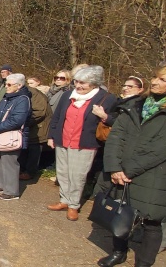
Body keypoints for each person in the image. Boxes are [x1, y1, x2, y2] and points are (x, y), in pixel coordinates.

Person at [97, 62, 166, 267]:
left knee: (151, 223)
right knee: (121, 212)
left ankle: (144, 263)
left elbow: (162, 148)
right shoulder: (134, 105)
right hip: (120, 171)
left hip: (154, 175)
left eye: (163, 79)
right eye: (155, 77)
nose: (155, 82)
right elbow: (116, 136)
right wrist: (114, 167)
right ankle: (118, 251)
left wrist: (128, 170)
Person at [46, 65, 116, 221]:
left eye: (83, 83)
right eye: (77, 82)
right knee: (63, 172)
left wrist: (104, 115)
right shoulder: (68, 95)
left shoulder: (107, 98)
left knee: (77, 175)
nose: (78, 86)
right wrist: (52, 136)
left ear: (94, 83)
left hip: (85, 143)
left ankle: (73, 205)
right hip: (63, 140)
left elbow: (115, 120)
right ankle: (64, 200)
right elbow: (57, 117)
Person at [91, 76, 145, 197]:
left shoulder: (137, 105)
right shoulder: (121, 101)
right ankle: (99, 198)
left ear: (140, 89)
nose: (126, 88)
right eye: (124, 85)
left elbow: (125, 125)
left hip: (122, 145)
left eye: (130, 86)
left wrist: (105, 116)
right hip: (110, 142)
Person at [0, 74, 31, 200]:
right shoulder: (7, 98)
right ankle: (2, 185)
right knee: (0, 160)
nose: (5, 86)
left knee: (10, 163)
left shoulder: (23, 99)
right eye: (5, 84)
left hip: (11, 136)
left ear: (19, 86)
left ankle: (12, 191)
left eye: (9, 85)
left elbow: (16, 121)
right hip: (0, 135)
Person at [18, 85, 53, 180]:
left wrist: (23, 121)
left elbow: (40, 111)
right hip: (28, 126)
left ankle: (30, 172)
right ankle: (21, 170)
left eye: (9, 84)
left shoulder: (34, 93)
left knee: (34, 149)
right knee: (24, 148)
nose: (6, 86)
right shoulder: (17, 93)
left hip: (38, 126)